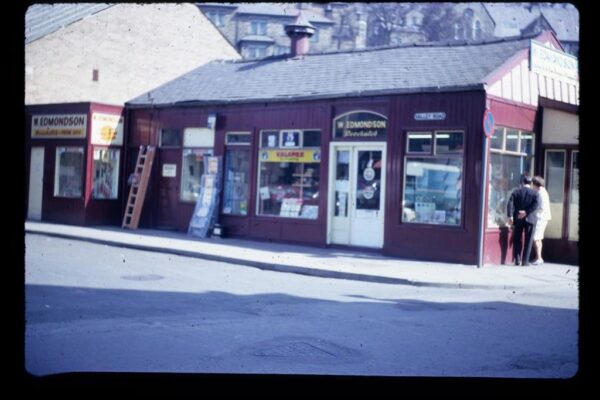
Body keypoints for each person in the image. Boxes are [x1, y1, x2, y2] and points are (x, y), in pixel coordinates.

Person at [507, 175, 539, 266]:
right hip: (530, 219)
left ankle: (517, 260)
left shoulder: (516, 192)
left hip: (518, 219)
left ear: (522, 182)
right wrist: (526, 212)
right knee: (528, 241)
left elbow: (510, 203)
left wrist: (510, 216)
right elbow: (536, 205)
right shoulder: (535, 193)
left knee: (517, 239)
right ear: (531, 183)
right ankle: (525, 261)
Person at [531, 176, 551, 265]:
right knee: (538, 238)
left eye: (533, 184)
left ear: (536, 184)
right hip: (543, 217)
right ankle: (538, 257)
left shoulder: (540, 193)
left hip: (540, 218)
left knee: (535, 238)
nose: (532, 186)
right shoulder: (542, 191)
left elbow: (541, 207)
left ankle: (539, 258)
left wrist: (532, 211)